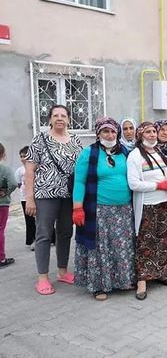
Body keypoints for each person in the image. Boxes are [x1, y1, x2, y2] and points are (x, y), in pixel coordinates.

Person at [72, 117, 135, 301]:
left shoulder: (124, 152)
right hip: (98, 210)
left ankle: (123, 281)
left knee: (122, 247)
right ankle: (99, 285)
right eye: (105, 131)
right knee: (100, 249)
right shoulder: (89, 154)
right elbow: (80, 181)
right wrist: (77, 207)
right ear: (98, 134)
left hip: (124, 210)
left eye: (113, 131)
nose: (109, 134)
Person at [25, 105, 83, 295]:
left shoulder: (75, 140)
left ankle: (62, 271)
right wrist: (29, 198)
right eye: (55, 115)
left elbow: (81, 169)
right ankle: (42, 277)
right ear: (49, 119)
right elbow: (30, 171)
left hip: (68, 196)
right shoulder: (39, 140)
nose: (59, 118)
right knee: (43, 234)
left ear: (68, 119)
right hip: (45, 195)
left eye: (63, 115)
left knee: (65, 233)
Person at [127, 121, 167, 300]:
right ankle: (142, 281)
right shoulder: (134, 156)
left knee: (163, 240)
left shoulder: (158, 152)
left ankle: (160, 272)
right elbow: (134, 184)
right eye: (148, 132)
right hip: (147, 207)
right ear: (140, 135)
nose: (152, 135)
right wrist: (158, 185)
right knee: (146, 243)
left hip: (165, 203)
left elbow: (166, 174)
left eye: (154, 132)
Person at [0, 143, 18, 268]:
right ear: (2, 154)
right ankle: (1, 258)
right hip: (2, 203)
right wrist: (6, 192)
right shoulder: (5, 170)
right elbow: (13, 183)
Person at [15, 146, 36, 251]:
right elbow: (18, 184)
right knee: (29, 220)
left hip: (36, 197)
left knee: (40, 219)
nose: (23, 159)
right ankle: (31, 240)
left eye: (25, 156)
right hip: (24, 199)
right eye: (21, 156)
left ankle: (51, 237)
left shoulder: (35, 168)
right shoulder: (19, 170)